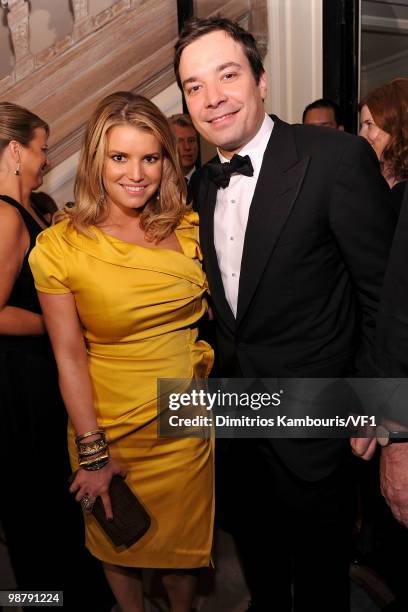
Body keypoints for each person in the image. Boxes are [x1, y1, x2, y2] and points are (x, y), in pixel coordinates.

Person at [174, 17, 395, 612]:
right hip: (235, 420)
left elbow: (383, 298)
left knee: (322, 584)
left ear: (262, 80)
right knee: (261, 573)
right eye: (194, 86)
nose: (212, 96)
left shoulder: (336, 158)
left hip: (320, 424)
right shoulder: (198, 186)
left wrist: (382, 413)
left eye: (227, 74)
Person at [29, 91, 214, 612]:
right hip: (106, 423)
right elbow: (67, 356)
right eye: (119, 157)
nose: (136, 173)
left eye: (150, 157)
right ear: (96, 160)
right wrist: (92, 451)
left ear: (167, 162)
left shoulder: (187, 228)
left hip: (184, 419)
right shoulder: (61, 248)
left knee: (182, 552)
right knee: (118, 544)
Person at [0, 101, 111, 610]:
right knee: (38, 507)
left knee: (47, 505)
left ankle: (58, 597)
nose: (47, 160)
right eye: (43, 149)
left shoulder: (21, 209)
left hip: (35, 376)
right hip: (22, 383)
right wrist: (57, 324)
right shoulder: (4, 215)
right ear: (16, 150)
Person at [359, 78, 408, 215]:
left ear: (396, 126)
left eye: (369, 124)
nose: (361, 135)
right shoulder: (368, 179)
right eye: (361, 126)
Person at [169, 113, 199, 184]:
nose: (187, 147)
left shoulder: (211, 183)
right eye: (180, 141)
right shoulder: (157, 185)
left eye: (191, 140)